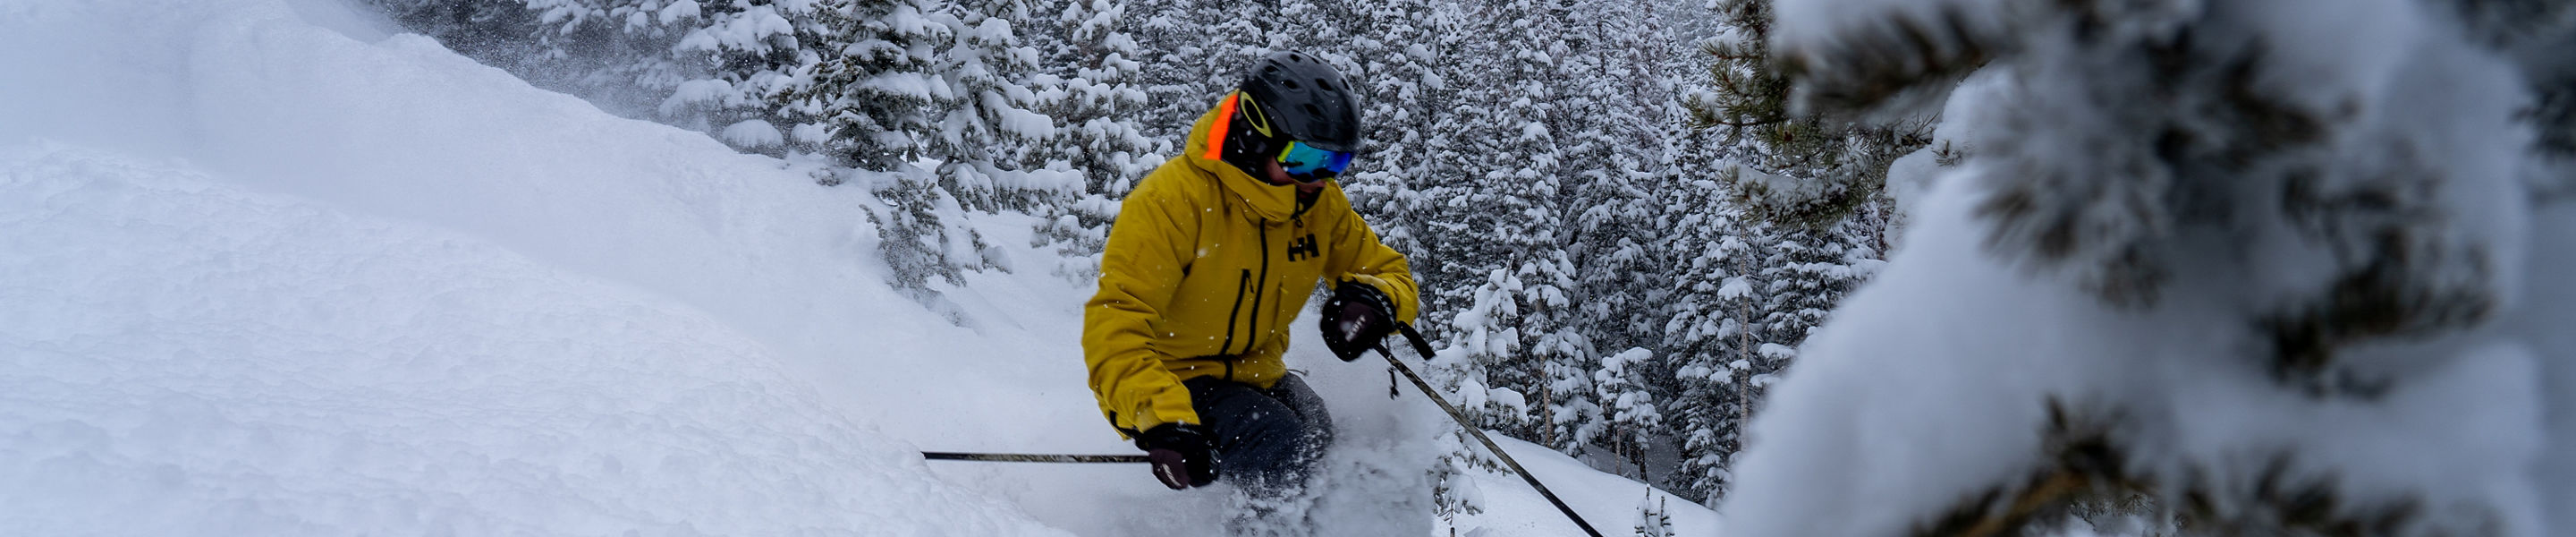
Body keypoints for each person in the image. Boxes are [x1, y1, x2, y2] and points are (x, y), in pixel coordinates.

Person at [1082, 51, 1420, 499]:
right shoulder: (1173, 201)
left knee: (1319, 433)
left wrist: (1375, 301)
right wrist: (1163, 420)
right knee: (1279, 444)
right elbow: (1115, 324)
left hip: (1257, 374)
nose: (1320, 179)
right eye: (1304, 159)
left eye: (1335, 164)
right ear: (1256, 136)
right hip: (1176, 380)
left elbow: (1385, 270)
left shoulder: (1317, 205)